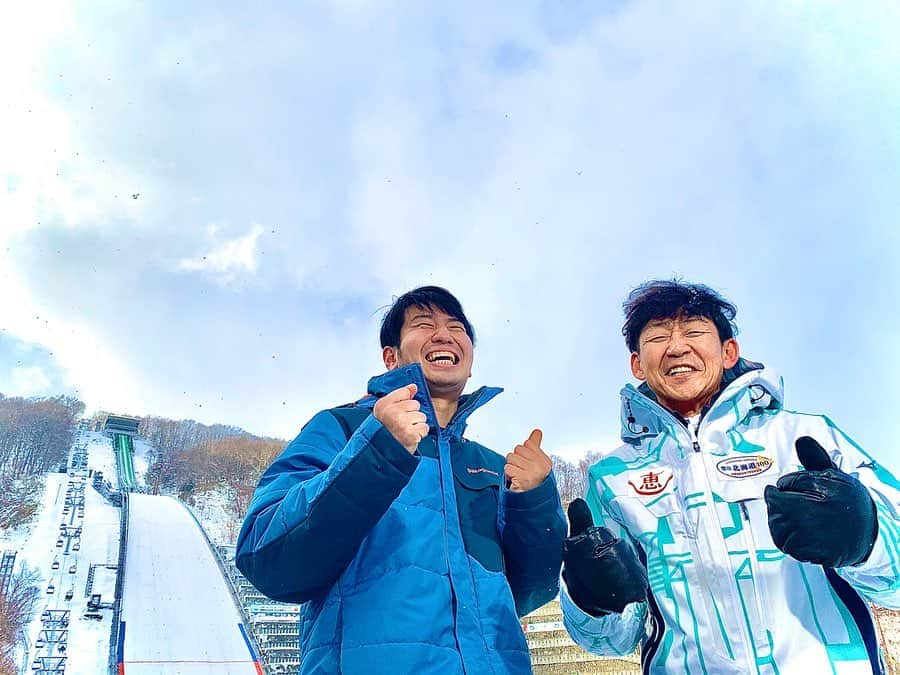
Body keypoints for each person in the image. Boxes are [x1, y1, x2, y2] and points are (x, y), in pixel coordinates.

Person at [561, 279, 900, 674]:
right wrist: (592, 601)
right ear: (637, 363)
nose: (676, 347)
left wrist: (867, 537)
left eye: (694, 332)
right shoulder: (611, 479)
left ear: (728, 352)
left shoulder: (805, 439)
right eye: (657, 337)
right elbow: (613, 640)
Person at [236, 285, 566, 674]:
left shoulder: (492, 467)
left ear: (470, 361)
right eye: (424, 324)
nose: (444, 334)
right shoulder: (344, 430)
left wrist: (535, 502)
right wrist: (377, 451)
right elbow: (266, 557)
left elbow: (527, 592)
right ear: (390, 358)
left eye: (456, 327)